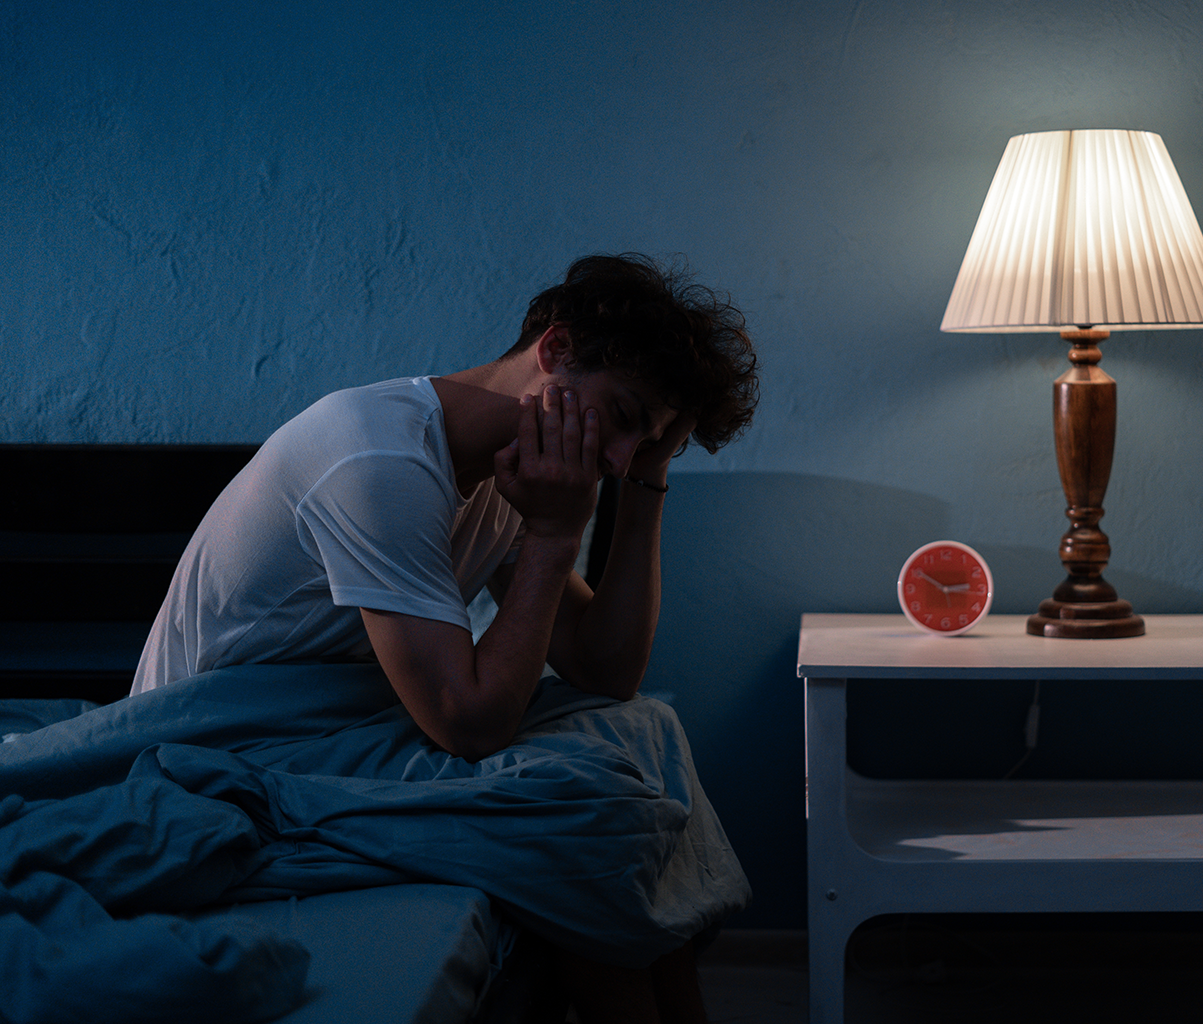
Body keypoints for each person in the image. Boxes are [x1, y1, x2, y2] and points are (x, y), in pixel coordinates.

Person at [131, 252, 760, 1023]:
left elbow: (608, 669)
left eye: (650, 442)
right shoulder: (378, 457)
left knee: (646, 727)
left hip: (340, 726)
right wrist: (558, 534)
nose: (618, 457)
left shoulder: (508, 470)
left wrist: (647, 483)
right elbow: (469, 723)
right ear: (555, 351)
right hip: (226, 742)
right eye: (625, 418)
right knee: (592, 806)